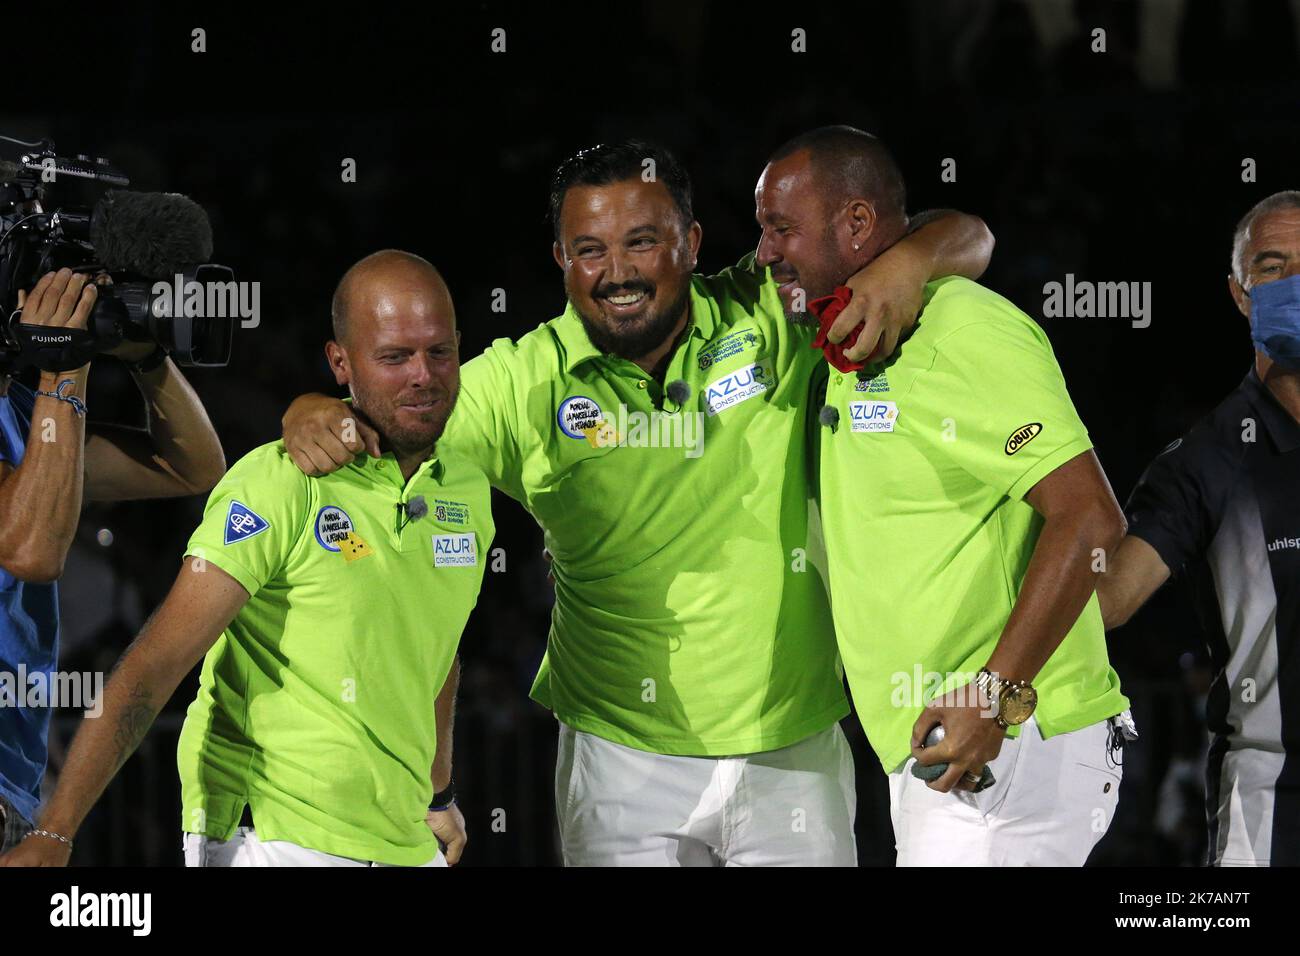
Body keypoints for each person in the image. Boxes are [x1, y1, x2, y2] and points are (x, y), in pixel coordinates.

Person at [282, 140, 994, 866]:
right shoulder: (519, 385)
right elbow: (391, 421)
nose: (616, 272)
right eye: (588, 249)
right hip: (620, 764)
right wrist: (313, 407)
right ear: (560, 258)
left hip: (795, 750)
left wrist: (910, 263)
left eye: (642, 242)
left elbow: (969, 235)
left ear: (689, 245)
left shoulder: (768, 308)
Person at [0, 252, 489, 866]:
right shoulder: (279, 479)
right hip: (267, 838)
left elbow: (436, 651)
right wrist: (56, 832)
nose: (422, 374)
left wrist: (438, 791)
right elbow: (151, 667)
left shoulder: (466, 489)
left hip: (403, 841)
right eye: (394, 357)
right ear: (340, 362)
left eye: (439, 352)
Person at [768, 125, 1134, 865]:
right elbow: (957, 229)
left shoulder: (965, 326)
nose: (766, 252)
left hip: (1009, 746)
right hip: (958, 754)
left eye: (782, 229)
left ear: (859, 224)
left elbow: (1093, 518)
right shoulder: (856, 330)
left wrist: (996, 701)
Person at [1098, 191, 1300, 867]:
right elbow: (1106, 601)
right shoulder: (1207, 462)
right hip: (1274, 807)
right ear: (1241, 295)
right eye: (1272, 268)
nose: (1295, 283)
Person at [0, 268, 225, 855]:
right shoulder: (46, 398)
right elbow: (31, 549)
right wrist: (65, 367)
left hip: (17, 786)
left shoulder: (26, 412)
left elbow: (192, 468)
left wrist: (147, 358)